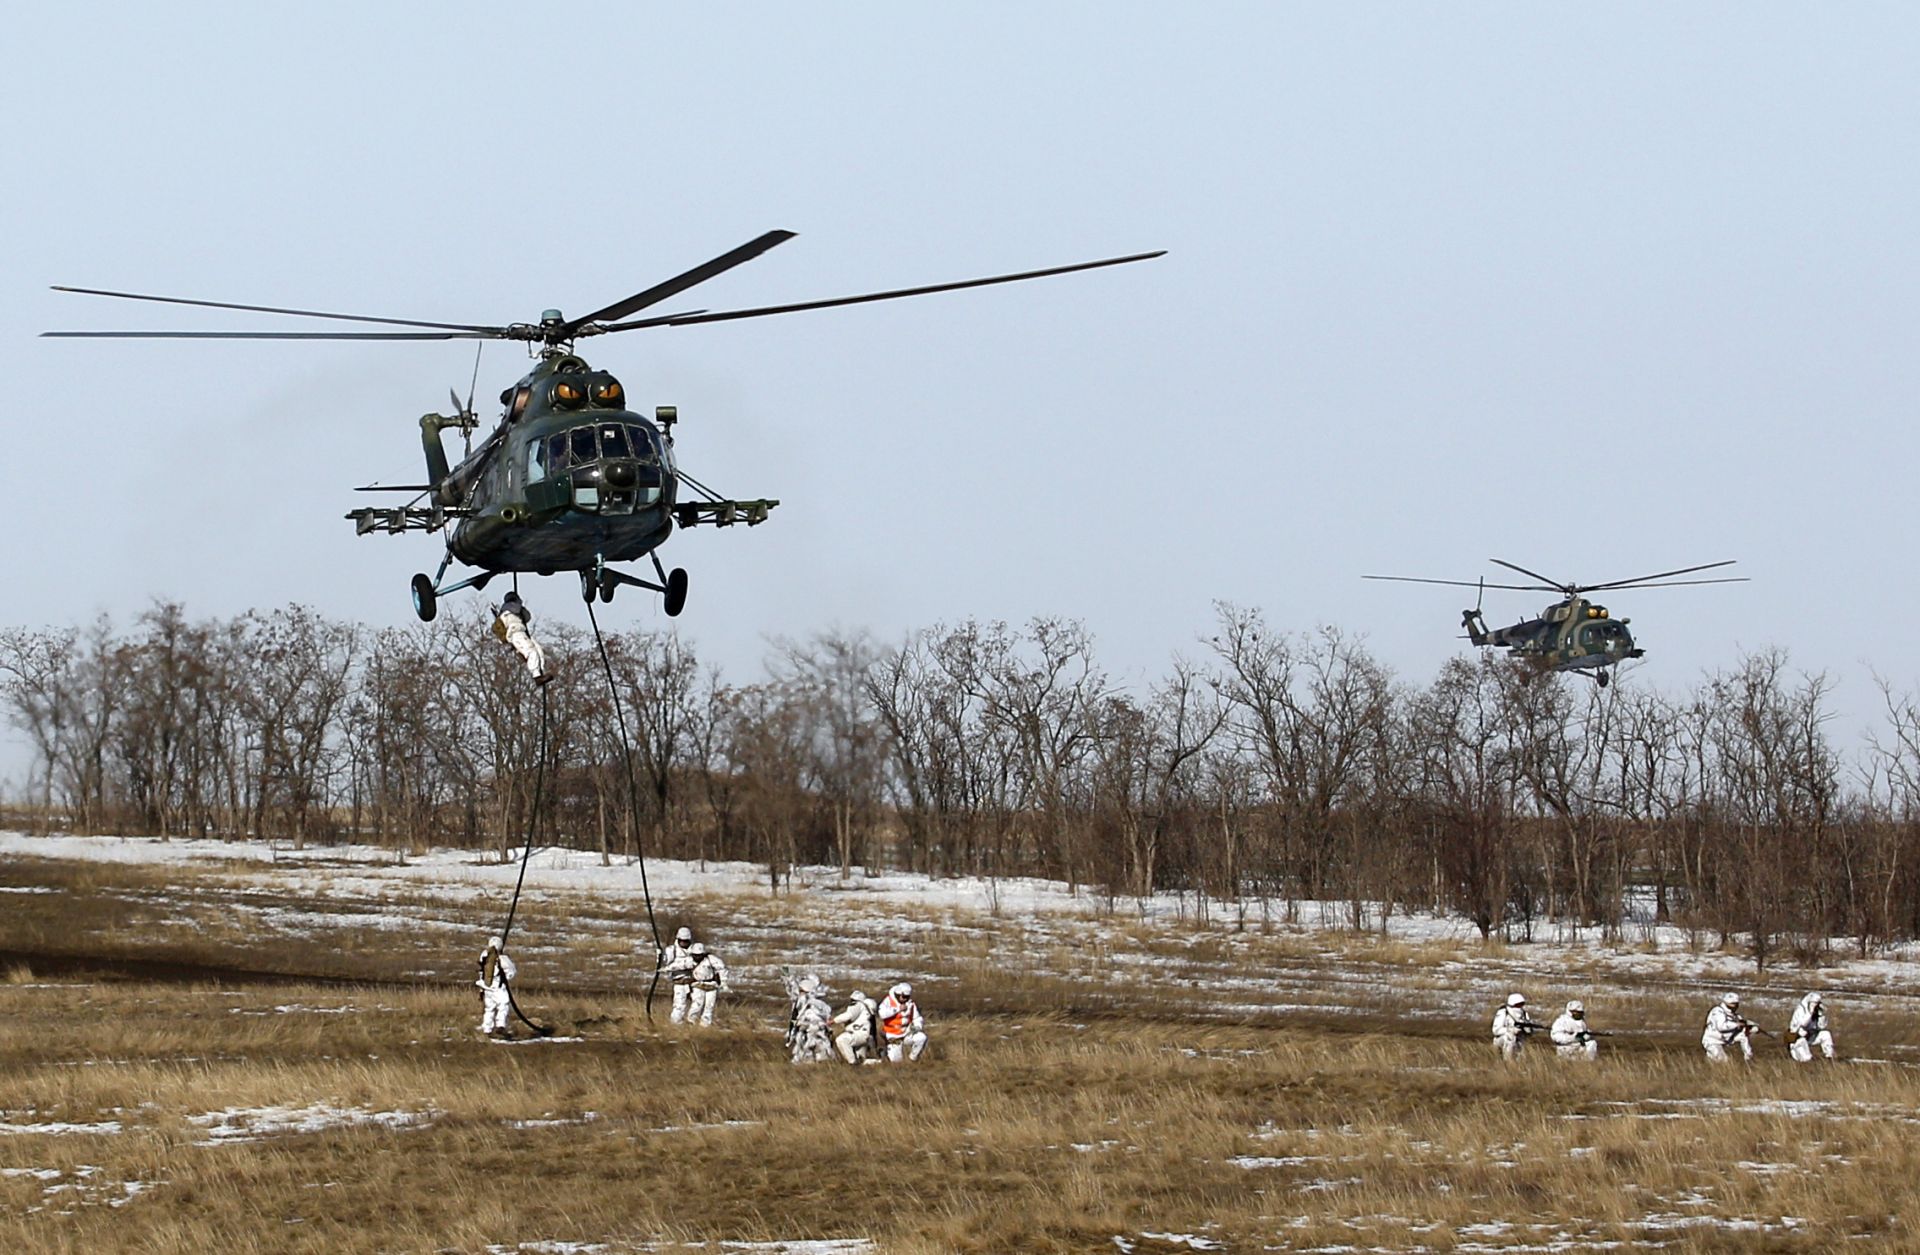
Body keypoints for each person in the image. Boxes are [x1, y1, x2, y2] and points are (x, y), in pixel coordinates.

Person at [493, 591, 551, 686]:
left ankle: (541, 671)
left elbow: (526, 617)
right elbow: (526, 615)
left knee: (538, 651)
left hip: (522, 633)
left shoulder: (509, 611)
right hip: (516, 633)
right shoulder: (509, 608)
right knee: (531, 652)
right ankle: (536, 675)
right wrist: (520, 606)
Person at [787, 973, 835, 1065]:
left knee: (811, 1045)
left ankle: (814, 1060)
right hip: (808, 1030)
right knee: (803, 1043)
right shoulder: (814, 1002)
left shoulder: (811, 1003)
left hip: (813, 1030)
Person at [475, 934, 517, 1038]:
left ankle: (487, 1029)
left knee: (489, 1008)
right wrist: (505, 977)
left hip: (486, 987)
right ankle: (500, 1025)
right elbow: (512, 972)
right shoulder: (503, 959)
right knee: (503, 1004)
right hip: (498, 987)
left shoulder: (484, 956)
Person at [878, 982, 927, 1062]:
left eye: (907, 997)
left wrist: (917, 1027)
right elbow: (882, 1014)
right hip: (893, 1035)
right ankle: (882, 1055)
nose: (905, 999)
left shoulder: (910, 1004)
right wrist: (898, 1009)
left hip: (907, 1033)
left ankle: (912, 1060)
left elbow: (917, 1018)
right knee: (896, 1061)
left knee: (921, 1038)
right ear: (898, 994)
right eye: (904, 996)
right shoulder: (888, 1001)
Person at [659, 927, 698, 1024]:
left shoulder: (695, 949)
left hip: (694, 982)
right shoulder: (671, 950)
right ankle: (676, 1025)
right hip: (680, 983)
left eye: (686, 941)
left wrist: (673, 967)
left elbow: (694, 963)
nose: (684, 943)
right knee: (679, 1006)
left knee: (698, 1004)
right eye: (682, 941)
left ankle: (694, 1024)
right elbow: (663, 963)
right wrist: (660, 956)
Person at [686, 941, 730, 1027]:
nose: (697, 957)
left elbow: (722, 969)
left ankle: (705, 1026)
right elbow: (678, 965)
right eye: (695, 955)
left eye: (699, 955)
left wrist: (723, 982)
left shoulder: (711, 959)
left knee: (709, 1007)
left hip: (711, 985)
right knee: (696, 1005)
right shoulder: (689, 960)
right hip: (697, 984)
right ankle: (691, 1023)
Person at [1703, 992, 1757, 1062]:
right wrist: (1737, 1024)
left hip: (1724, 1040)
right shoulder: (1717, 1011)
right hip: (1712, 1041)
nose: (1734, 1006)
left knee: (1743, 1036)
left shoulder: (1735, 1016)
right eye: (1732, 1004)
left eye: (1736, 1004)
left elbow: (1741, 1027)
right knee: (1724, 1061)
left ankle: (1749, 1057)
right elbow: (1721, 1026)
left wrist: (1751, 1028)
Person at [833, 990, 880, 1065]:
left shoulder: (858, 1005)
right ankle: (879, 1062)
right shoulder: (866, 1012)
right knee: (861, 1060)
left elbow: (848, 1015)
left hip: (859, 1034)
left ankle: (852, 1062)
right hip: (864, 1035)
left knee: (841, 1040)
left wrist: (833, 1021)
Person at [1788, 991, 1836, 1063]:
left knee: (1826, 1034)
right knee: (1806, 1059)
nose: (1815, 1005)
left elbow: (1821, 1026)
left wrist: (1821, 1015)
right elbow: (1802, 1024)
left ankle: (1829, 1057)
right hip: (1797, 1038)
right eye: (1814, 1003)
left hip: (1810, 1035)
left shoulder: (1817, 1012)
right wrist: (1810, 1012)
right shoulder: (1800, 1010)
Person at [1490, 992, 1540, 1060]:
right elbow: (1495, 1030)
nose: (1520, 1006)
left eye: (1521, 1004)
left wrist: (1526, 1029)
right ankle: (1507, 1062)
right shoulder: (1504, 1012)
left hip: (1519, 1040)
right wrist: (1510, 1030)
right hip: (1502, 1040)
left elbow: (1530, 1031)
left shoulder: (1524, 1014)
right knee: (1509, 1038)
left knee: (1522, 1045)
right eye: (1518, 1004)